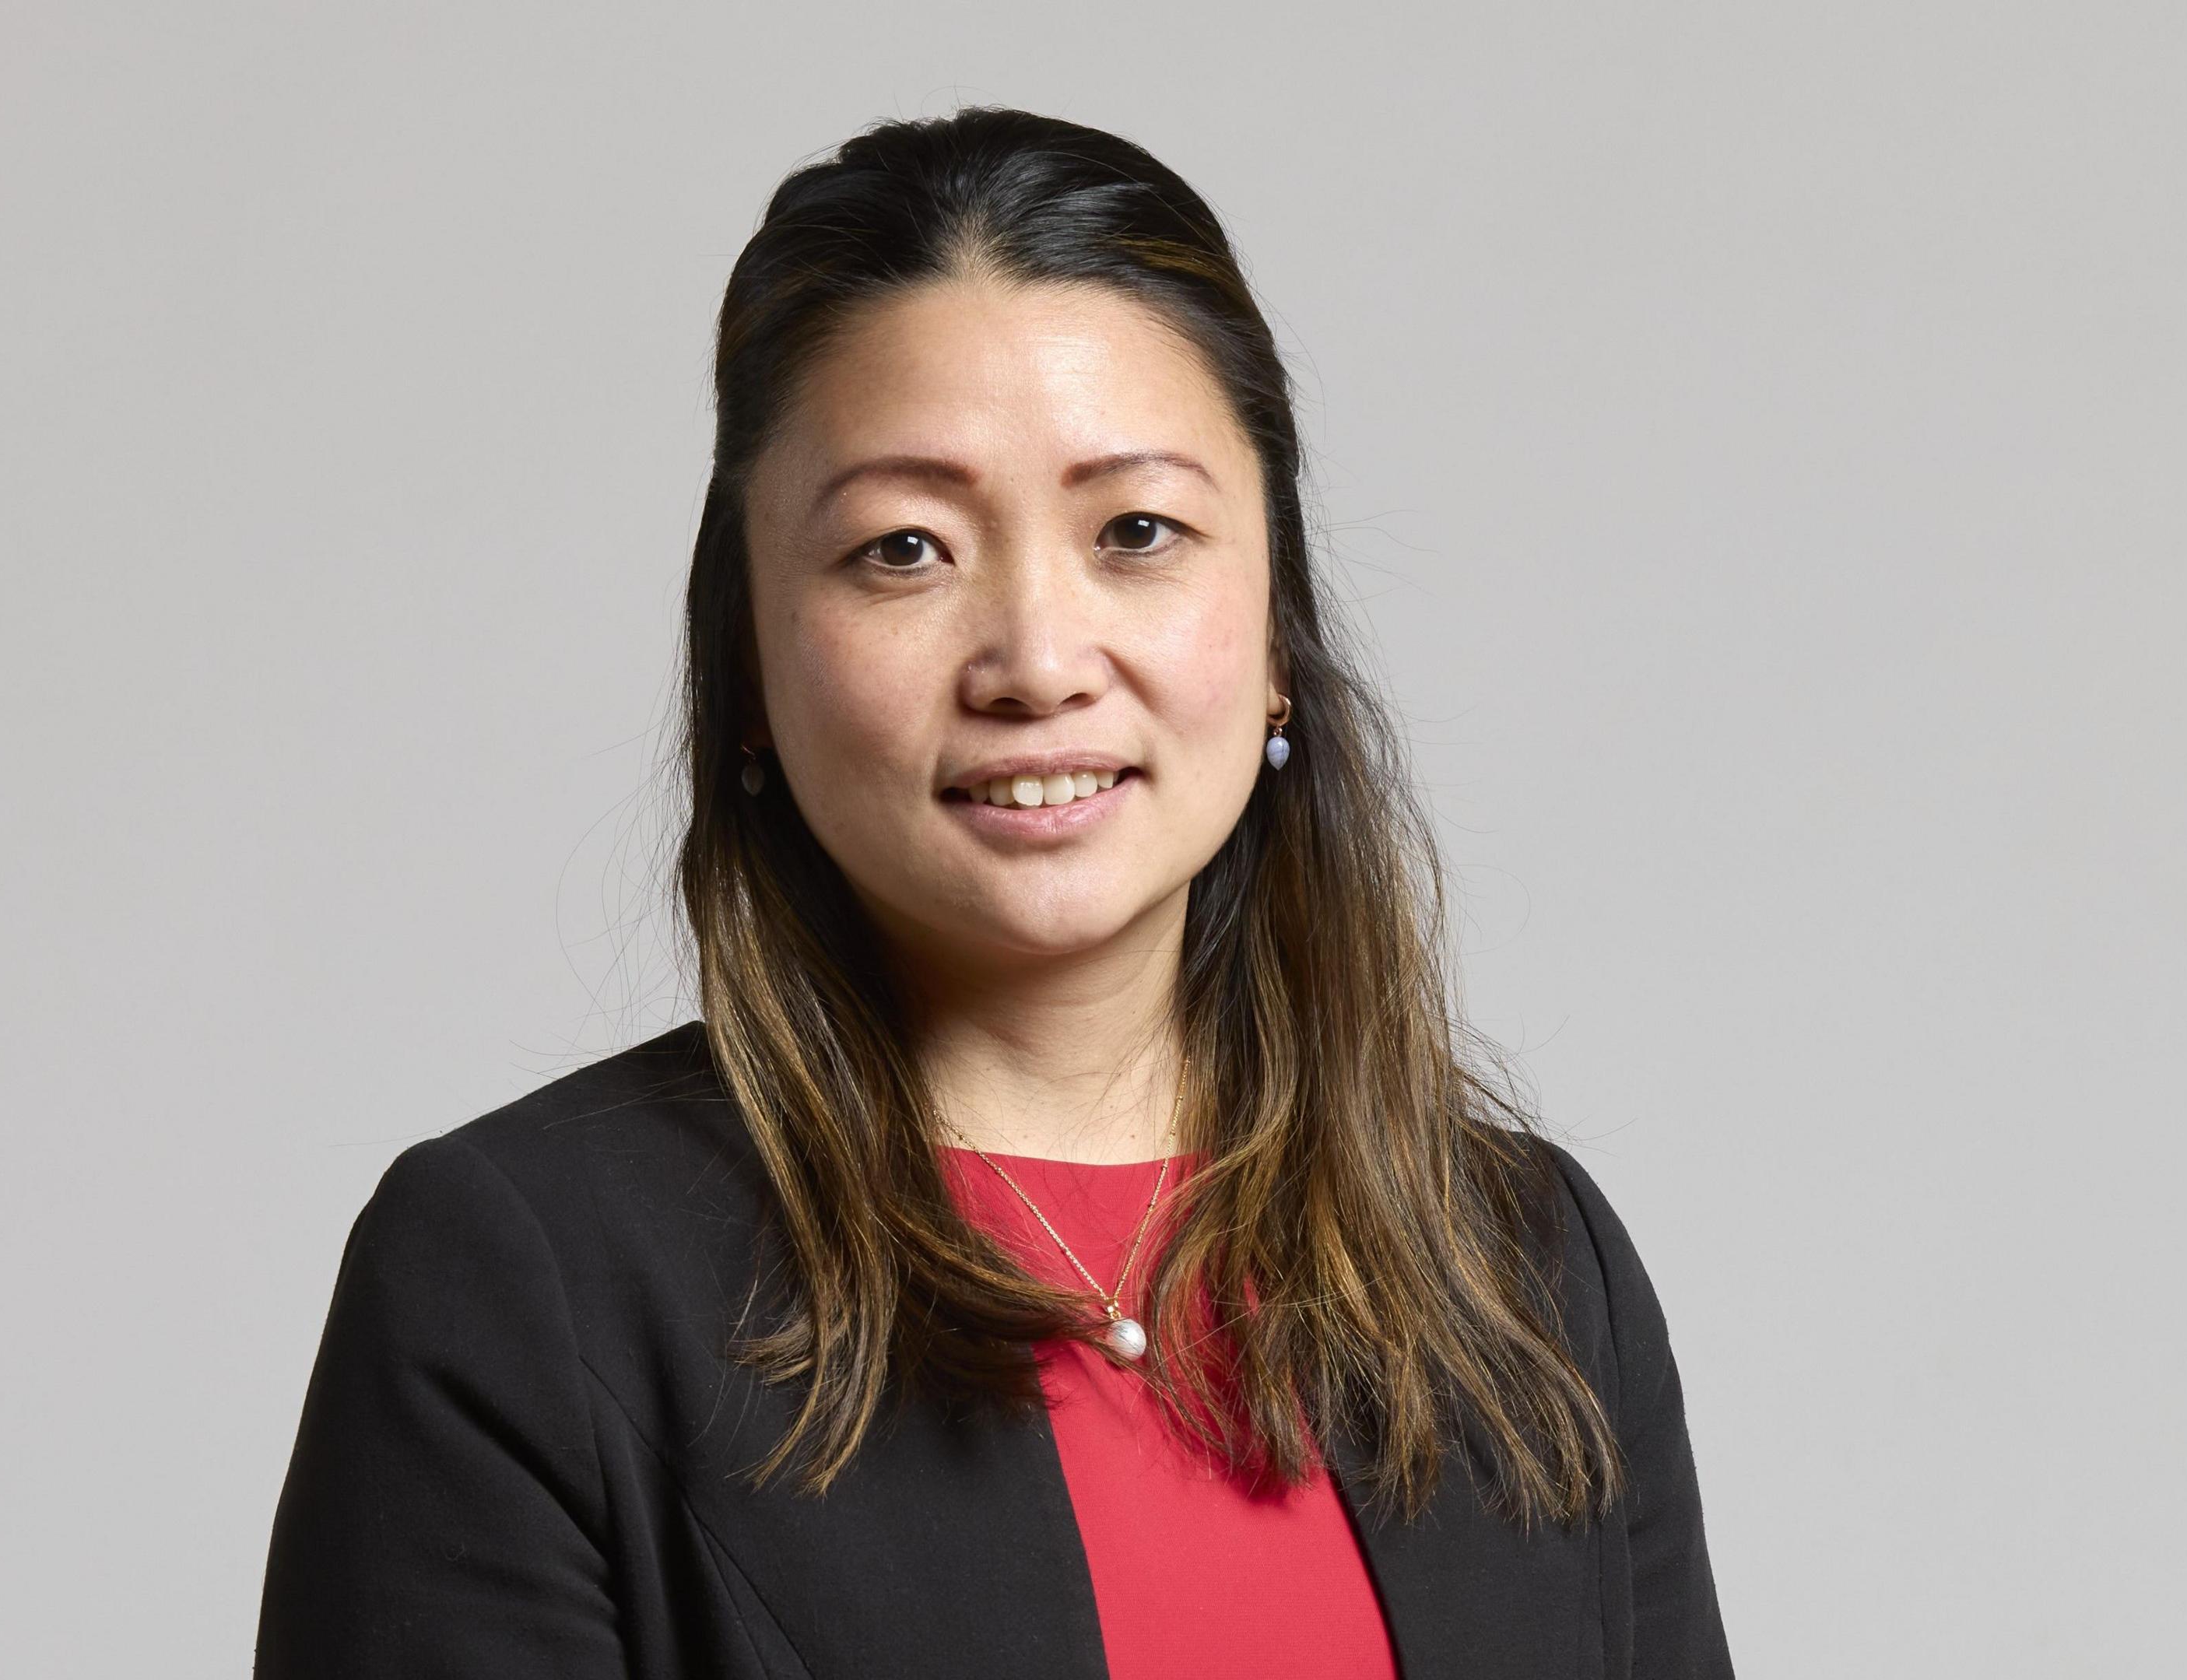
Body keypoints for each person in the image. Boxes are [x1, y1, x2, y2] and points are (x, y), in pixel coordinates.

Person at [255, 106, 1731, 1679]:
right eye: (903, 549)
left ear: (1280, 628)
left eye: (1139, 532)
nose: (1036, 660)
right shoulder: (521, 1285)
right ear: (749, 654)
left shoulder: (1521, 1270)